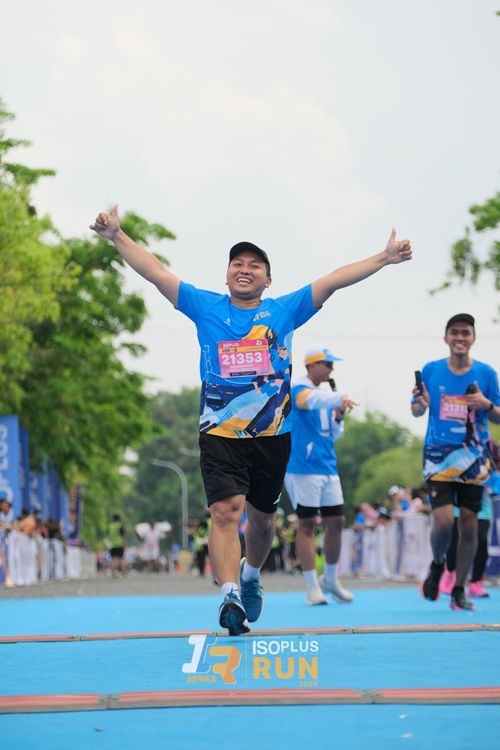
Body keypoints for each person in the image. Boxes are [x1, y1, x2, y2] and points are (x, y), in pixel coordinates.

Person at [91, 205, 411, 634]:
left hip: (272, 435)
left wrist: (384, 258)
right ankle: (229, 597)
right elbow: (155, 272)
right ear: (226, 275)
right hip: (219, 432)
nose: (245, 270)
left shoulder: (284, 310)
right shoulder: (204, 307)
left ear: (268, 279)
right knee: (225, 512)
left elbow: (334, 279)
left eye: (254, 265)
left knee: (262, 524)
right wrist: (117, 236)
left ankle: (250, 575)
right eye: (237, 264)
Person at [412, 313, 500, 610]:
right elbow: (416, 410)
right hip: (438, 457)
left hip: (474, 458)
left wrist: (487, 404)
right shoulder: (431, 370)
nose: (460, 338)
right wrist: (419, 403)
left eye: (465, 333)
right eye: (455, 332)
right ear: (446, 337)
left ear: (473, 338)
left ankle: (459, 588)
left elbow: (497, 415)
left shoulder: (486, 373)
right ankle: (438, 564)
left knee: (471, 525)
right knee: (444, 521)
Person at [284, 347, 356, 605]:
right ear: (312, 366)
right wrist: (337, 398)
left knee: (336, 522)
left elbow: (334, 434)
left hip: (327, 466)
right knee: (307, 524)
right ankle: (312, 586)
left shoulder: (325, 397)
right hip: (303, 466)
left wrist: (339, 416)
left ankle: (331, 579)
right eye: (327, 364)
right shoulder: (299, 389)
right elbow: (308, 401)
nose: (331, 369)